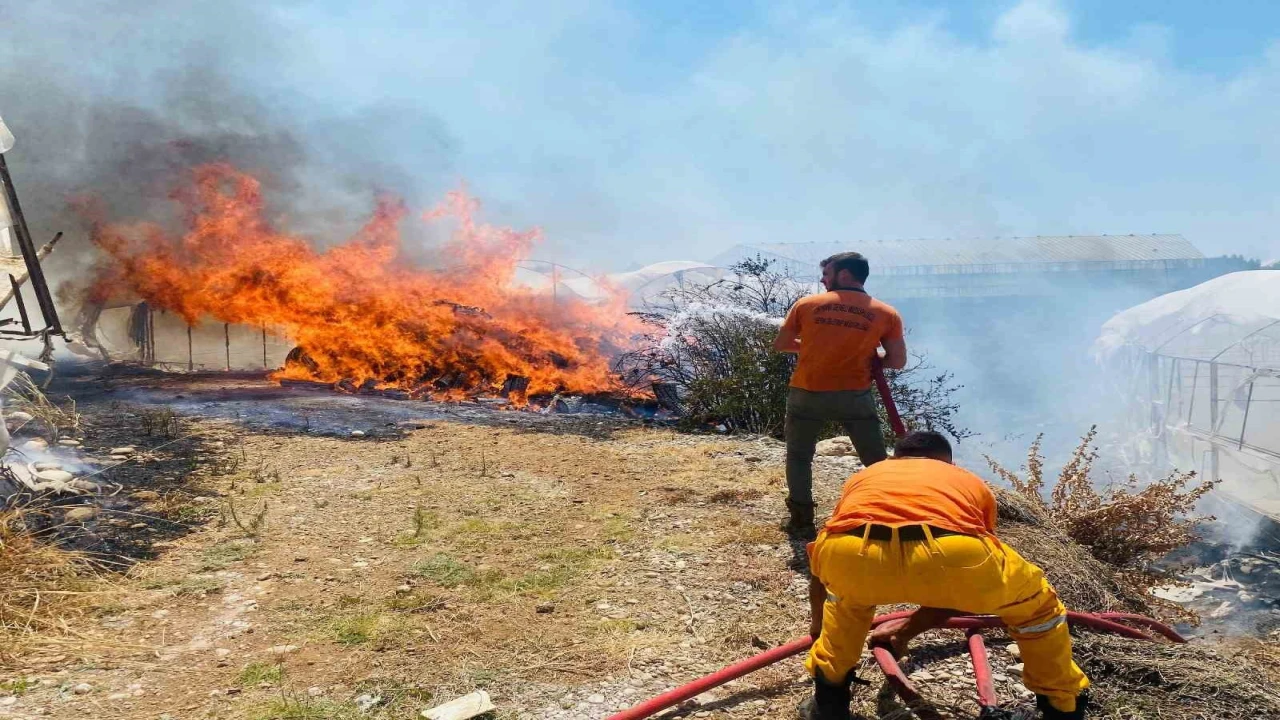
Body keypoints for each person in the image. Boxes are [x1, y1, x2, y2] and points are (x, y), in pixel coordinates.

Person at [800, 431, 1090, 720]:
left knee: (846, 604)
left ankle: (828, 706)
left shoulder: (868, 474)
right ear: (948, 463)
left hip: (852, 552)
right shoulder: (968, 480)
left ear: (895, 458)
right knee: (1039, 611)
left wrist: (818, 630)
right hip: (953, 551)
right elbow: (964, 584)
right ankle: (1061, 707)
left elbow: (820, 572)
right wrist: (907, 629)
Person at [773, 252, 906, 539]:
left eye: (827, 273)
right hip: (854, 395)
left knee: (798, 456)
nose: (823, 279)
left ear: (844, 274)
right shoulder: (887, 313)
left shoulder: (807, 305)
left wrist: (813, 347)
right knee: (875, 460)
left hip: (807, 392)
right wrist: (861, 355)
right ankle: (886, 516)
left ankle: (802, 519)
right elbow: (896, 361)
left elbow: (782, 344)